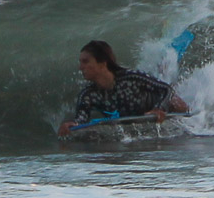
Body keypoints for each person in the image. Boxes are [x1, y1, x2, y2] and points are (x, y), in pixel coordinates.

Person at [57, 40, 189, 136]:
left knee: (177, 103)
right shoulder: (88, 94)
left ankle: (169, 55)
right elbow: (81, 120)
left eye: (85, 62)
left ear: (103, 63)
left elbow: (166, 89)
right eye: (80, 62)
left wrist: (159, 108)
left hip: (155, 104)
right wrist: (73, 126)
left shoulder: (131, 77)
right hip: (135, 116)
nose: (80, 67)